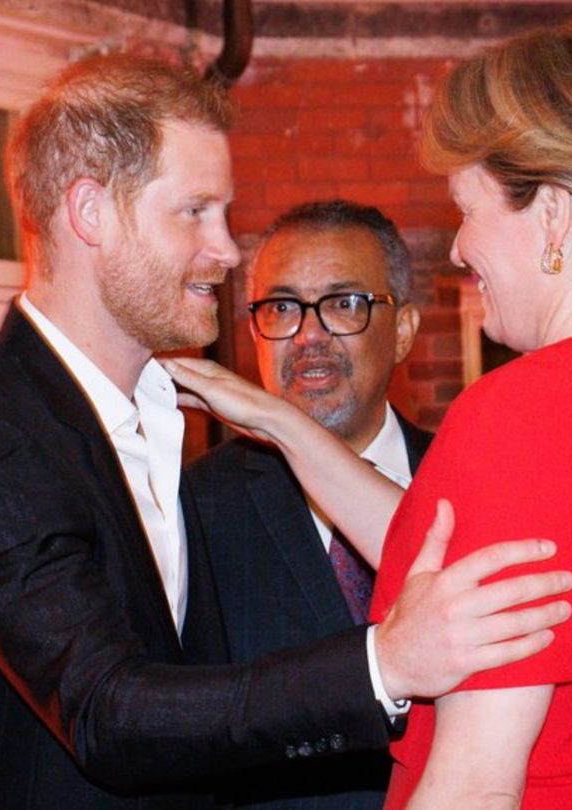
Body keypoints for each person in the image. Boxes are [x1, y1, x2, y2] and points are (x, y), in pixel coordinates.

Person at [0, 55, 572, 808]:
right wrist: (385, 664)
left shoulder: (160, 411)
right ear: (90, 214)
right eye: (194, 212)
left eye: (225, 214)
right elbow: (110, 714)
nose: (228, 251)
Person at [165, 19, 572, 809]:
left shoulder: (523, 410)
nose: (458, 249)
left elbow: (475, 783)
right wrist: (282, 423)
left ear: (553, 216)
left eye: (469, 209)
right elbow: (465, 564)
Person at [186, 200, 430, 808]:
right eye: (283, 307)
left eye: (345, 303)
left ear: (403, 331)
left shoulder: (472, 479)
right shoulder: (196, 507)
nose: (309, 335)